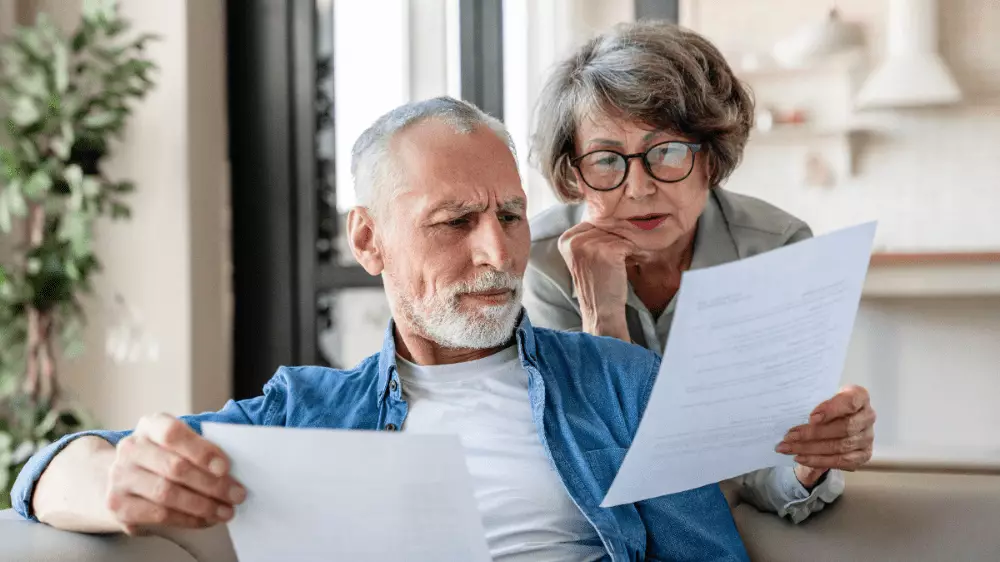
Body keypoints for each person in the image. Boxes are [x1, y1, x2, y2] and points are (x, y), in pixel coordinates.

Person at [12, 97, 749, 561]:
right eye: (455, 222)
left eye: (511, 216)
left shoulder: (620, 383)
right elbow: (43, 471)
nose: (498, 253)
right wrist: (118, 482)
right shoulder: (305, 412)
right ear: (368, 242)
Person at [525, 21, 876, 524]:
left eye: (666, 152)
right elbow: (590, 469)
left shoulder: (776, 251)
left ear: (710, 159)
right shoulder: (544, 262)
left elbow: (762, 465)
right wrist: (602, 320)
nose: (639, 188)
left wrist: (809, 463)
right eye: (605, 160)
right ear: (574, 175)